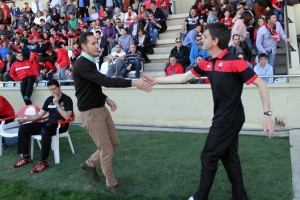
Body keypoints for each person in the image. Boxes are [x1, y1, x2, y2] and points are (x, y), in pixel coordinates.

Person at [144, 23, 275, 200]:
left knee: (208, 155)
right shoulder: (207, 63)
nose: (201, 39)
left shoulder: (234, 61)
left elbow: (261, 84)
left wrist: (267, 115)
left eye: (204, 36)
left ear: (214, 40)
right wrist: (156, 80)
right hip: (223, 117)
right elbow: (183, 77)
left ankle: (200, 196)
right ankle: (240, 196)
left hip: (230, 119)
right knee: (229, 157)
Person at [72, 32, 151, 194]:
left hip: (100, 108)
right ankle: (111, 184)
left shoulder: (89, 62)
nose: (97, 46)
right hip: (91, 113)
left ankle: (89, 163)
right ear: (84, 46)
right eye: (93, 43)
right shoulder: (82, 64)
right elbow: (105, 81)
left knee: (114, 142)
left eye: (97, 42)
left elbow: (91, 86)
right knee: (106, 150)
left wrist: (105, 98)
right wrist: (133, 82)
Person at [11, 80, 73, 174]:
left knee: (45, 131)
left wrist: (57, 105)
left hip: (61, 125)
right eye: (50, 90)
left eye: (54, 89)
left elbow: (68, 117)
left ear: (59, 87)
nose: (53, 92)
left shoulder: (67, 99)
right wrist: (25, 120)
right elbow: (39, 115)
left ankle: (43, 162)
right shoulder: (49, 99)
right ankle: (26, 157)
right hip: (48, 123)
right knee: (24, 128)